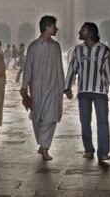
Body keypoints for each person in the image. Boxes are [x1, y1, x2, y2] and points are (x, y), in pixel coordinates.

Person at [64, 22, 110, 164]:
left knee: (102, 122)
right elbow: (73, 69)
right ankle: (88, 149)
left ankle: (103, 153)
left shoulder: (104, 50)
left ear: (90, 32)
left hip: (100, 91)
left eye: (82, 30)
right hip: (83, 91)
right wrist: (67, 87)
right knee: (85, 122)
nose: (79, 32)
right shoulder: (78, 50)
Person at [20, 15, 67, 161]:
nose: (56, 28)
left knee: (50, 119)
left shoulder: (56, 46)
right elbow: (28, 68)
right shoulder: (33, 47)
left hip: (53, 89)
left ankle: (45, 148)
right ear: (47, 27)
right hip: (37, 89)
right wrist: (24, 88)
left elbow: (60, 68)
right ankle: (42, 143)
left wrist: (64, 87)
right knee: (37, 119)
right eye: (54, 26)